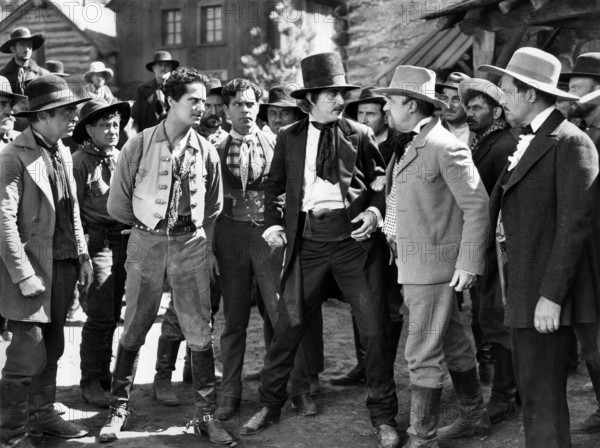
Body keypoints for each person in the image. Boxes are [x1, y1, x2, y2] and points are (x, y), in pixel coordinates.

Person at [239, 52, 400, 448]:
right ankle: (271, 404)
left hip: (355, 245)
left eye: (342, 92)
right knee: (288, 324)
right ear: (309, 98)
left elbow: (380, 182)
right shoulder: (289, 137)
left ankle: (384, 417)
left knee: (375, 330)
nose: (339, 99)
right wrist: (276, 225)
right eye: (331, 93)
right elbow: (273, 186)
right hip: (307, 244)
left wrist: (376, 213)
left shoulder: (359, 134)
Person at [100, 67, 234, 446]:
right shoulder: (139, 145)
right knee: (135, 327)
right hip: (146, 244)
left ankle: (205, 416)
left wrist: (189, 234)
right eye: (193, 100)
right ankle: (117, 411)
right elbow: (117, 204)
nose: (201, 107)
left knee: (198, 331)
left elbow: (214, 205)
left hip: (190, 245)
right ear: (171, 101)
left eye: (204, 101)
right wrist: (149, 226)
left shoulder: (206, 149)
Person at [480, 46, 600, 448]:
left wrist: (551, 296)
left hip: (546, 296)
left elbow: (573, 227)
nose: (502, 97)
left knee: (544, 399)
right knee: (533, 396)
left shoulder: (570, 142)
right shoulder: (527, 140)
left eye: (507, 89)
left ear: (530, 93)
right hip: (523, 288)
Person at [374, 65, 490, 447]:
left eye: (390, 101)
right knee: (454, 342)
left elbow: (477, 207)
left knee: (422, 353)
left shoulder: (445, 146)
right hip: (414, 263)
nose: (386, 108)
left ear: (411, 103)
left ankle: (421, 438)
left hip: (432, 268)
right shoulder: (411, 141)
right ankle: (475, 417)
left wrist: (469, 263)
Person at [214, 78, 318, 420]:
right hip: (229, 237)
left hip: (268, 237)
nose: (245, 110)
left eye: (250, 104)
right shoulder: (214, 147)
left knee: (282, 315)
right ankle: (229, 393)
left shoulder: (278, 142)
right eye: (238, 104)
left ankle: (299, 389)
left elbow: (295, 189)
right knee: (233, 320)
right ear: (227, 109)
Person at [0, 74, 92, 448]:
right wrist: (22, 276)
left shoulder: (62, 150)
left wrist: (83, 254)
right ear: (41, 115)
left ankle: (42, 417)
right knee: (27, 351)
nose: (74, 117)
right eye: (67, 111)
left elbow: (71, 213)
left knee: (52, 347)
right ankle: (12, 432)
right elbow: (3, 220)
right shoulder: (12, 157)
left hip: (64, 266)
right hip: (32, 271)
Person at [330, 86, 404, 387]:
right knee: (361, 301)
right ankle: (364, 363)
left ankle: (383, 362)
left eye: (371, 113)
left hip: (393, 237)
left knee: (390, 304)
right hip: (361, 237)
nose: (365, 118)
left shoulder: (397, 145)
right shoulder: (353, 142)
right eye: (360, 113)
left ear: (384, 116)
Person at [458, 77, 519, 423]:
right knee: (491, 318)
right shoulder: (485, 142)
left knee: (497, 319)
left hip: (499, 250)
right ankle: (511, 391)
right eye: (467, 106)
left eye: (476, 107)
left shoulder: (503, 145)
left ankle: (503, 396)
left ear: (496, 111)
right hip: (486, 248)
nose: (469, 112)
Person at [72, 99, 132, 408]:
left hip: (123, 241)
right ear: (89, 130)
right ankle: (89, 380)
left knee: (114, 314)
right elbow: (71, 212)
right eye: (105, 125)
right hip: (96, 243)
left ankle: (104, 372)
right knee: (98, 314)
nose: (112, 130)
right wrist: (82, 253)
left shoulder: (121, 156)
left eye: (116, 124)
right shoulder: (80, 161)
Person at [131, 50, 179, 133]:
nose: (163, 68)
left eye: (166, 65)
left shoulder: (178, 89)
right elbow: (135, 118)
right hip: (148, 138)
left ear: (171, 68)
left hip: (172, 137)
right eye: (160, 65)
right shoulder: (142, 90)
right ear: (153, 68)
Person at [0, 27, 49, 96]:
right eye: (22, 44)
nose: (27, 49)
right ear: (13, 49)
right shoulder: (2, 76)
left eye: (29, 44)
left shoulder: (44, 75)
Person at [436, 72, 474, 146]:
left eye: (456, 99)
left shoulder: (482, 132)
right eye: (445, 98)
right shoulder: (431, 132)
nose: (448, 105)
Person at [196, 78, 229, 146]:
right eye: (207, 106)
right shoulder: (190, 136)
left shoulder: (228, 139)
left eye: (218, 105)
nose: (213, 112)